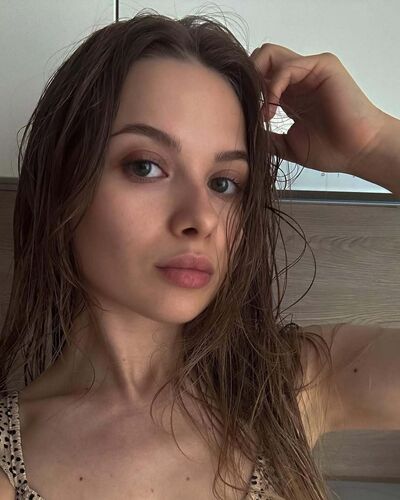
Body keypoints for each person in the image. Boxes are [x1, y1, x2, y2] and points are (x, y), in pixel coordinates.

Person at [0, 10, 399, 500]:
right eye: (145, 167)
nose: (201, 217)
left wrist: (374, 145)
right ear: (64, 183)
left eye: (223, 183)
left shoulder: (291, 388)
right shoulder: (11, 455)